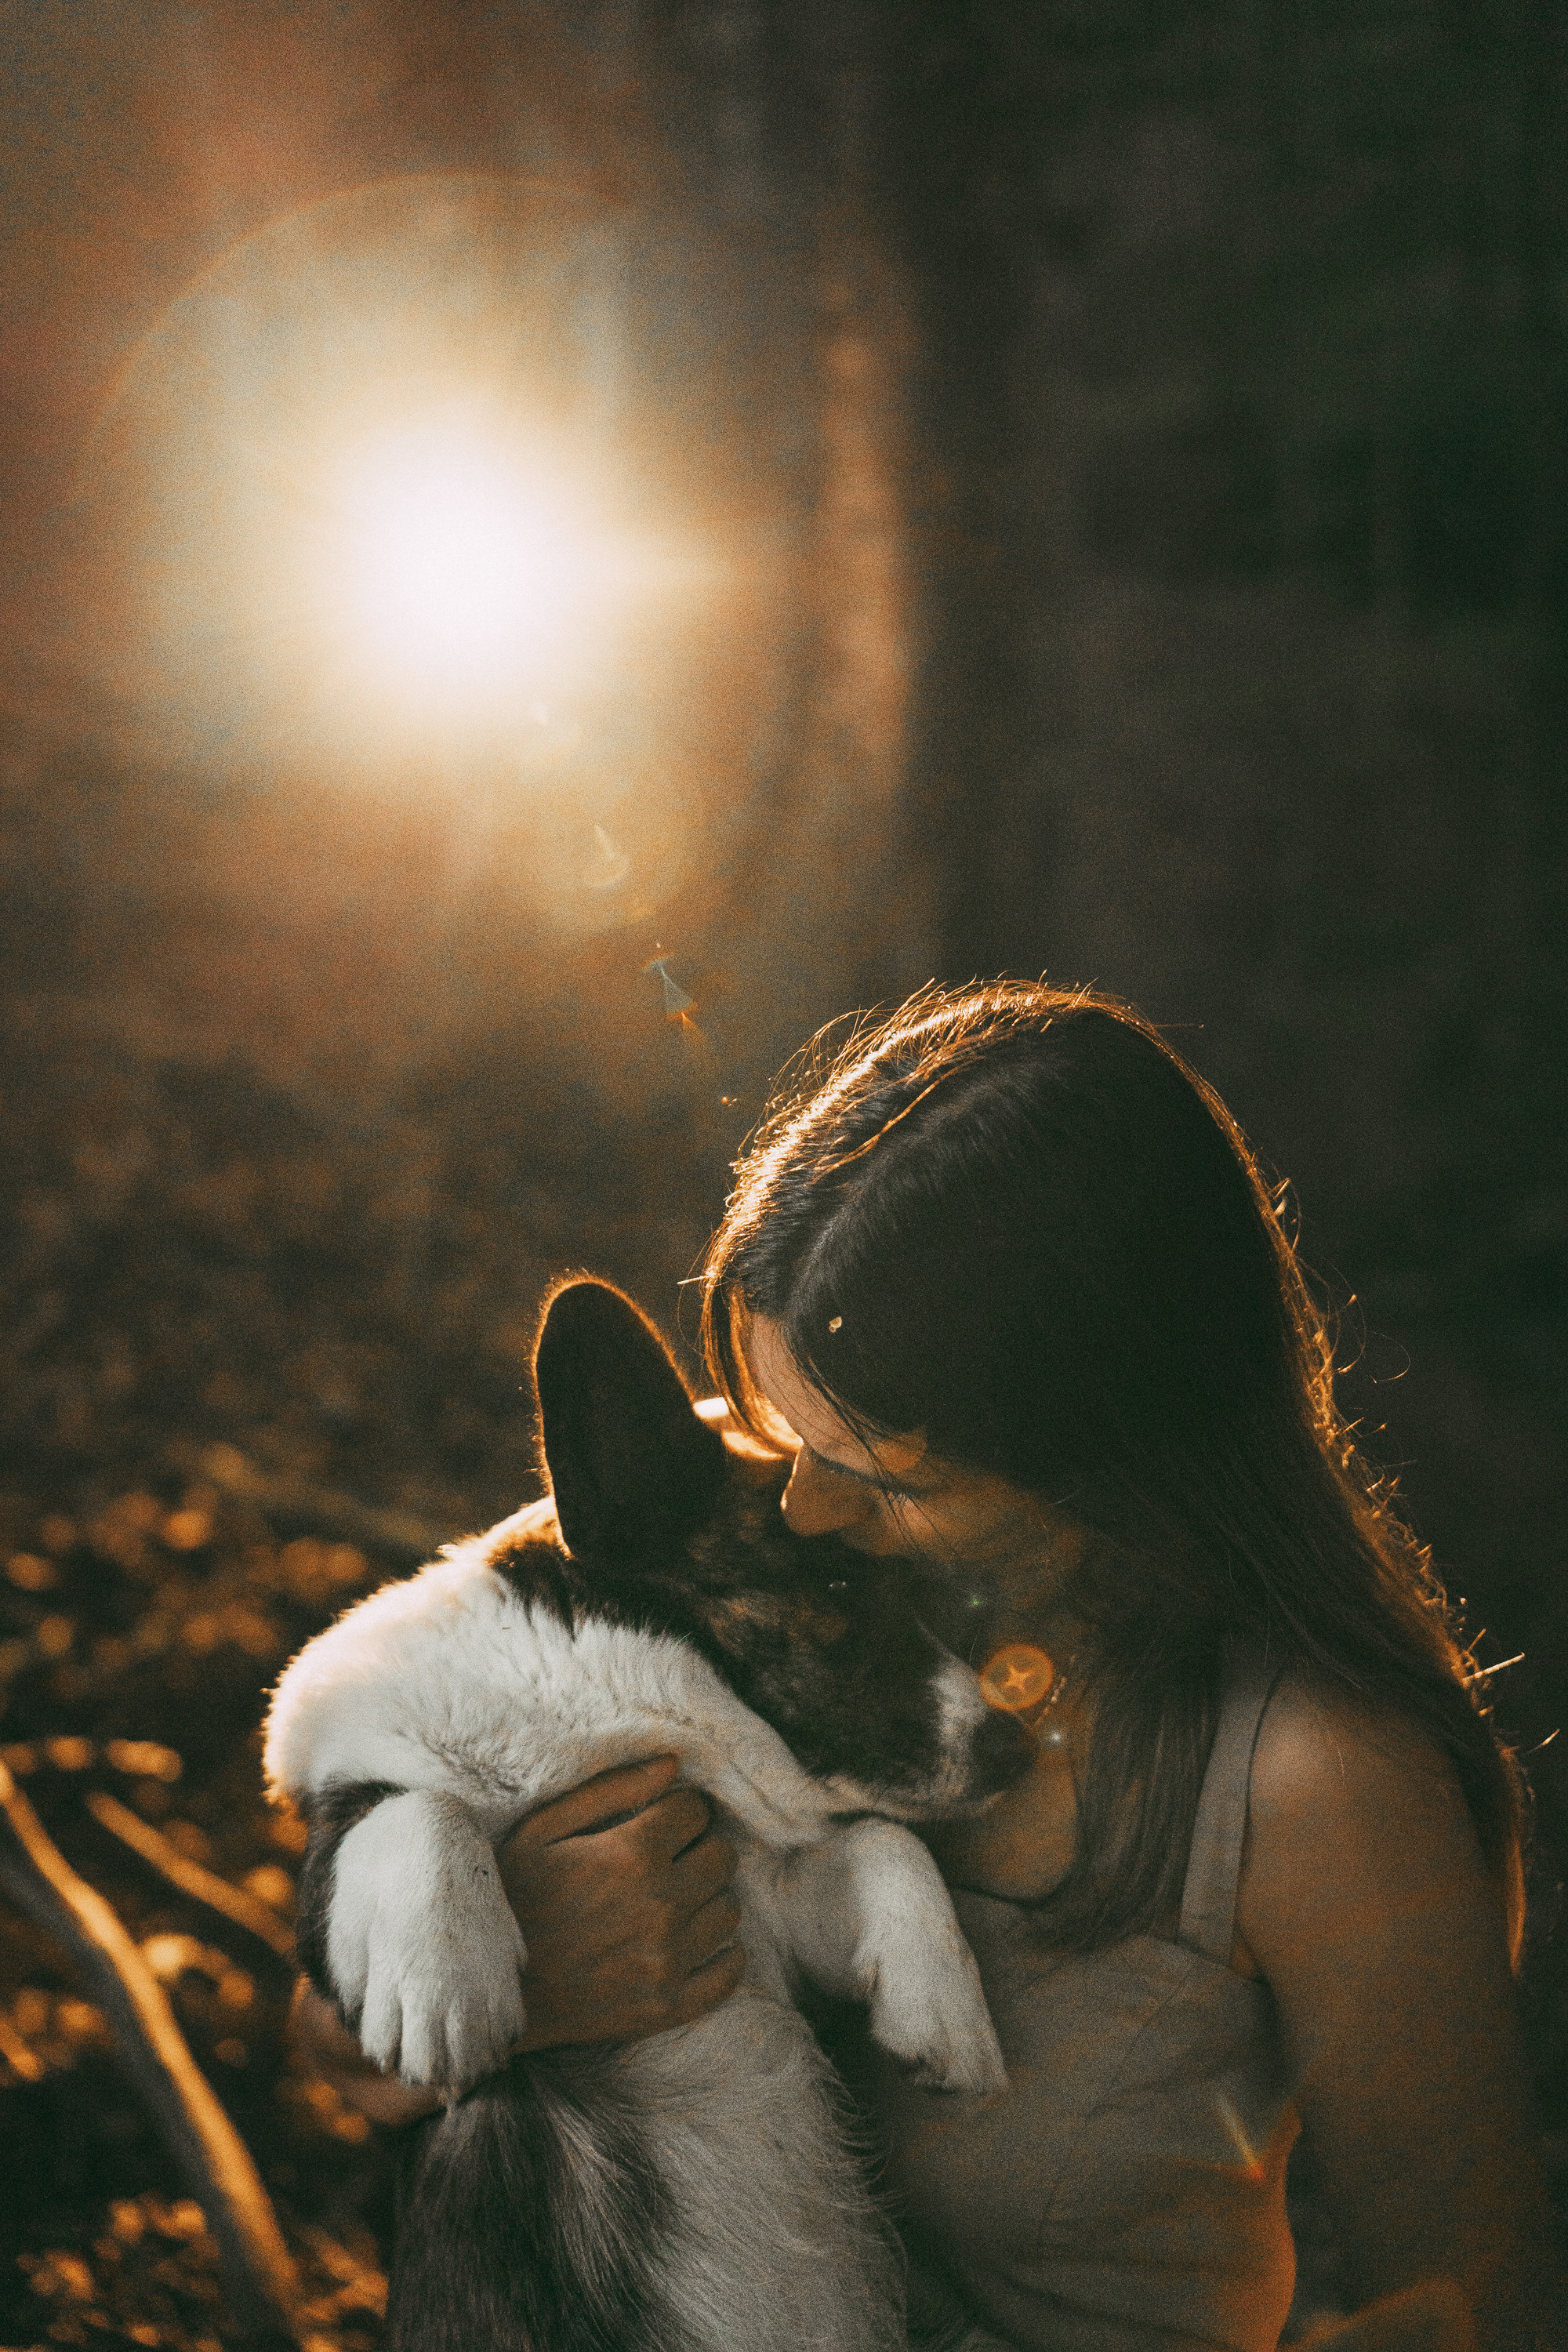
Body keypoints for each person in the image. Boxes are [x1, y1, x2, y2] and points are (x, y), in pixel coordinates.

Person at [294, 982, 1561, 2352]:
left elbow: (1479, 2299)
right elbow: (333, 2051)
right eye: (785, 1428)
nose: (801, 1511)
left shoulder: (1315, 1782)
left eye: (882, 1475)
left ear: (1103, 1443)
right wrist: (532, 1968)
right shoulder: (709, 1514)